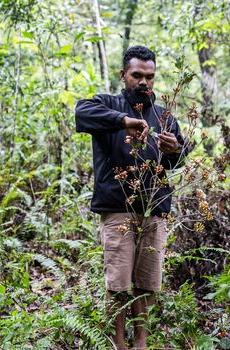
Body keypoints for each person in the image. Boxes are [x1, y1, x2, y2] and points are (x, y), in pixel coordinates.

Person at [75, 45, 186, 350]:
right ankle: (119, 344)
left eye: (149, 77)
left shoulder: (164, 116)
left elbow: (180, 159)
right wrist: (125, 122)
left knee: (147, 282)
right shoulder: (107, 104)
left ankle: (141, 343)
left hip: (154, 209)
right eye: (137, 75)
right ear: (123, 74)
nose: (144, 82)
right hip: (118, 208)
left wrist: (174, 149)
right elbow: (82, 113)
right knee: (119, 282)